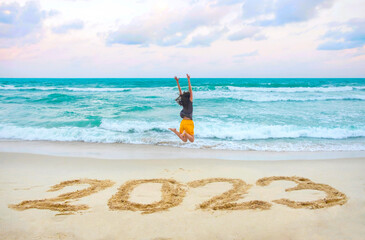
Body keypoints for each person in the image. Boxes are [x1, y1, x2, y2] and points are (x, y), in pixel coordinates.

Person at [169, 74, 194, 142]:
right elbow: (190, 90)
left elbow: (180, 92)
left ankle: (175, 131)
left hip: (183, 122)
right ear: (189, 96)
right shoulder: (190, 100)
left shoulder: (184, 102)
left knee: (184, 140)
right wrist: (188, 80)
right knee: (192, 140)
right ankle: (185, 133)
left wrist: (177, 82)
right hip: (188, 123)